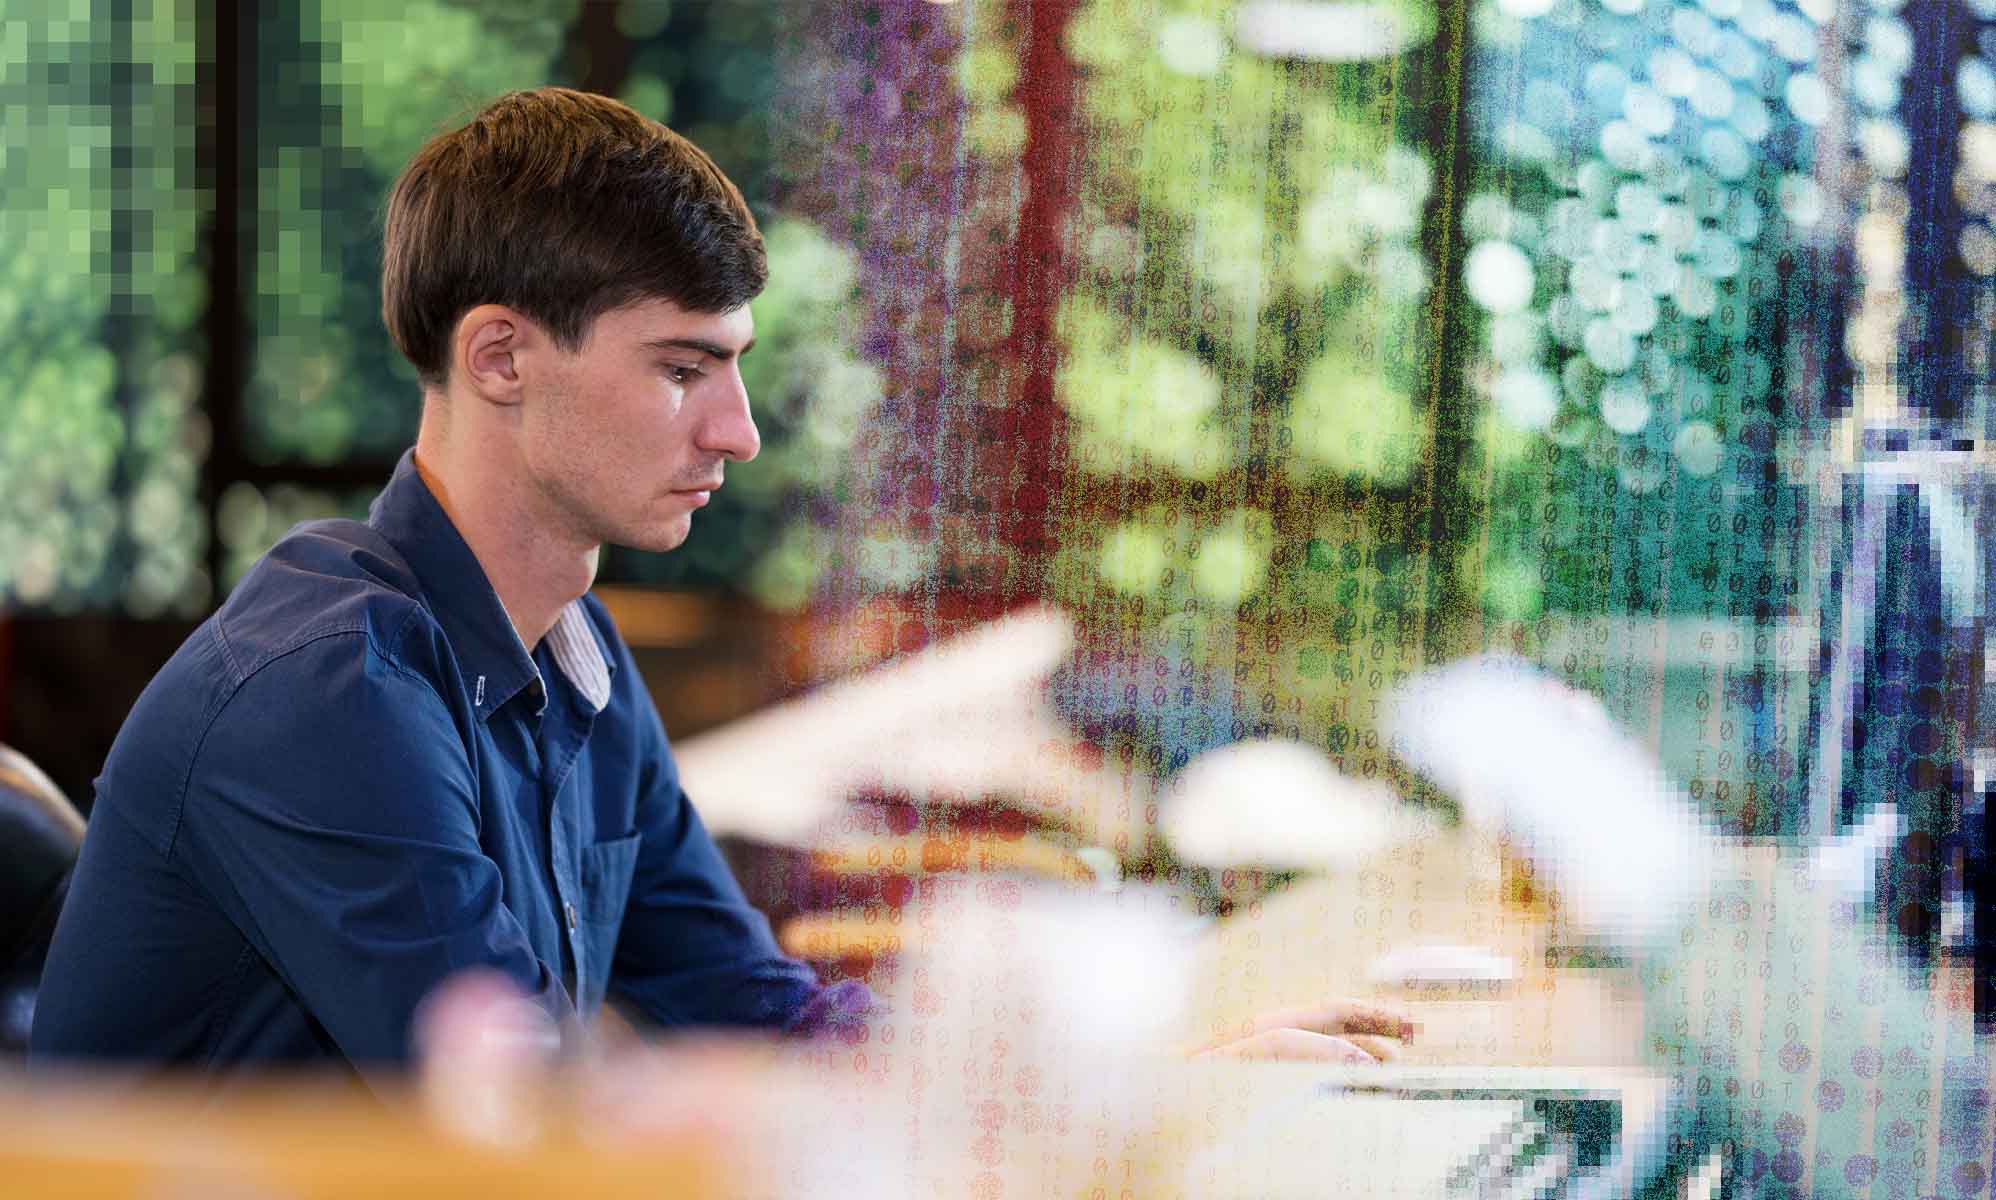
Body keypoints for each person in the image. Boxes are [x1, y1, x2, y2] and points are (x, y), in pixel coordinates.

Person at [30, 87, 1405, 1083]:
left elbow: (746, 1005)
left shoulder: (571, 646)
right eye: (684, 371)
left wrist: (1165, 1067)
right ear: (501, 358)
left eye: (735, 369)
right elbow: (526, 1110)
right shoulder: (328, 691)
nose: (737, 433)